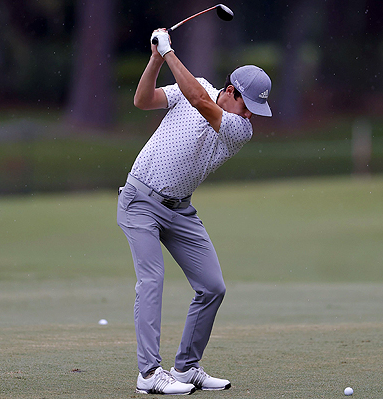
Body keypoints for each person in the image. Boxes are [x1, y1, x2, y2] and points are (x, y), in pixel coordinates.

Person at [117, 28, 272, 395]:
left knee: (212, 287)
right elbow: (143, 100)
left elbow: (202, 101)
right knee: (152, 280)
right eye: (247, 105)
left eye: (255, 111)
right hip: (140, 200)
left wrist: (169, 53)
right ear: (232, 91)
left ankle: (185, 368)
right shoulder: (195, 86)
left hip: (179, 211)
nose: (250, 116)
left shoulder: (238, 129)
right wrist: (156, 59)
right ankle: (149, 374)